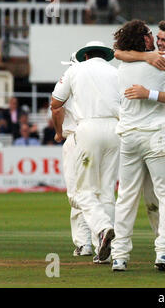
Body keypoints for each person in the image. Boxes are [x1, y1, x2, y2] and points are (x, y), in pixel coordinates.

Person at [110, 20, 165, 272]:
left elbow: (116, 52)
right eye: (150, 35)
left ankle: (119, 256)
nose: (155, 39)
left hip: (127, 137)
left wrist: (142, 55)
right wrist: (152, 56)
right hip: (154, 136)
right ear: (144, 40)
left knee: (126, 196)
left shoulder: (122, 65)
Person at [51, 40, 120, 263]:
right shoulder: (115, 72)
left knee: (82, 192)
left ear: (86, 55)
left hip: (88, 129)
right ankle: (105, 248)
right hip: (116, 129)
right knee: (107, 190)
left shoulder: (76, 69)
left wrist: (58, 132)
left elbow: (56, 102)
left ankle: (101, 229)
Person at [52, 51, 93, 259]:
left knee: (77, 193)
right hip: (98, 137)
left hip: (76, 138)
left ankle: (85, 243)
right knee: (97, 190)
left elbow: (56, 109)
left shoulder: (70, 77)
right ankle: (102, 235)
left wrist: (58, 132)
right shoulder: (96, 83)